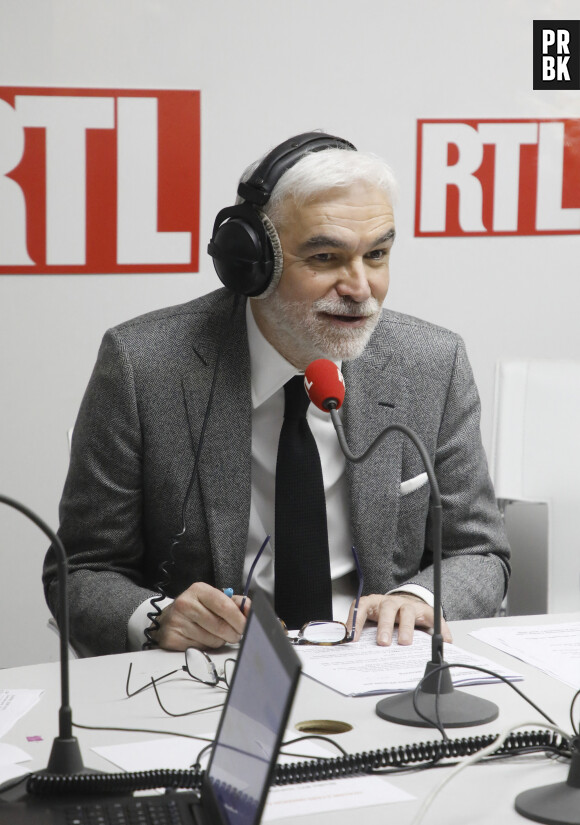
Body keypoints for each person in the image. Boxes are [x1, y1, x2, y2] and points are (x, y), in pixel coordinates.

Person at [43, 132, 510, 657]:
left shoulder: (431, 364)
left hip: (374, 665)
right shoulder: (144, 365)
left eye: (376, 255)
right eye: (327, 257)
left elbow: (480, 552)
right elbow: (81, 571)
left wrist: (418, 595)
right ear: (252, 262)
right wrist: (157, 618)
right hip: (211, 674)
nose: (360, 287)